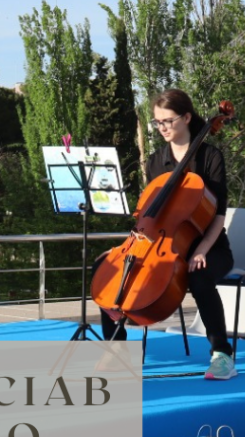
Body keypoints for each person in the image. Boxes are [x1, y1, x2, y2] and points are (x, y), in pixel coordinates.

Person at [96, 88, 237, 380]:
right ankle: (116, 351)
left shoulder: (210, 157)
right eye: (157, 123)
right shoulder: (156, 161)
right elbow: (150, 213)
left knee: (199, 276)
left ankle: (222, 355)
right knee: (107, 267)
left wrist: (201, 250)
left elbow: (218, 214)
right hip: (160, 244)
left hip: (209, 245)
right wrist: (129, 246)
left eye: (167, 121)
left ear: (186, 117)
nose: (161, 128)